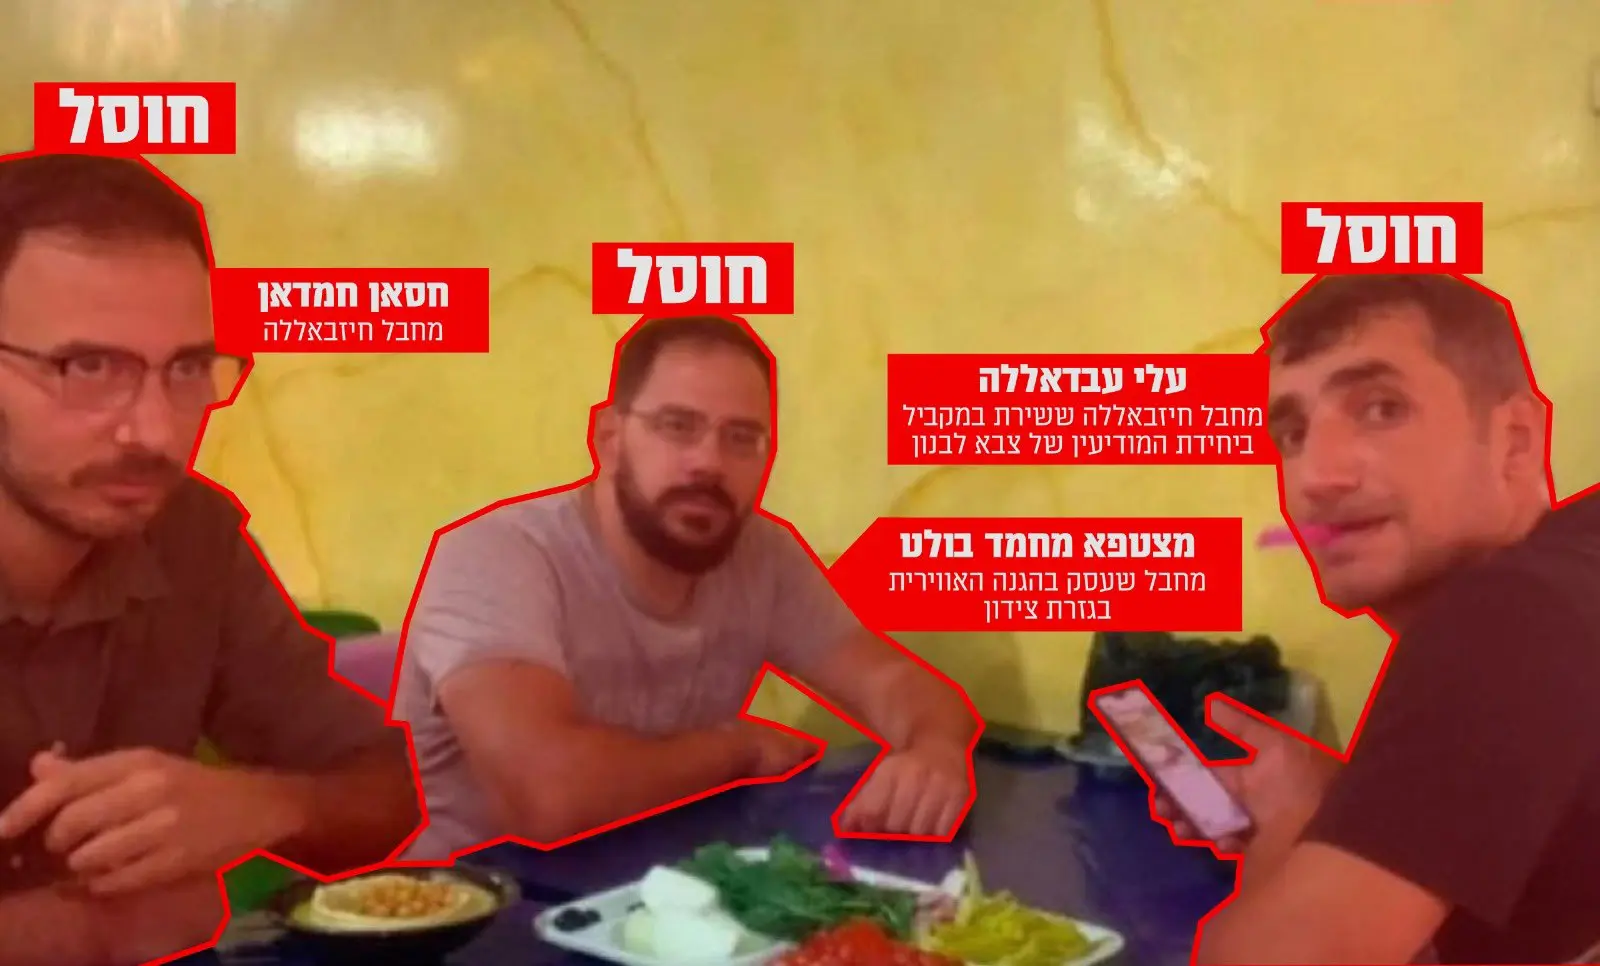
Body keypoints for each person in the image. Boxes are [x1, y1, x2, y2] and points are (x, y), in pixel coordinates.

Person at [0, 153, 421, 966]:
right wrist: (91, 930)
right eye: (88, 367)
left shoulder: (191, 534)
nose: (156, 433)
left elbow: (388, 788)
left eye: (189, 368)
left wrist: (264, 805)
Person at [393, 315, 979, 858]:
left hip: (661, 887)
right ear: (609, 437)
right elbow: (548, 795)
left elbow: (892, 681)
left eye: (741, 437)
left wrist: (935, 750)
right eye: (677, 426)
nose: (709, 462)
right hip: (472, 905)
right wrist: (735, 748)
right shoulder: (497, 556)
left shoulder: (762, 555)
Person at [1167, 274, 1600, 965]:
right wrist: (1352, 808)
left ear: (1516, 441)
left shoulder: (1508, 619)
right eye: (1293, 433)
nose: (1315, 477)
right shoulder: (1575, 567)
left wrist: (1294, 821)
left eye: (1380, 409)